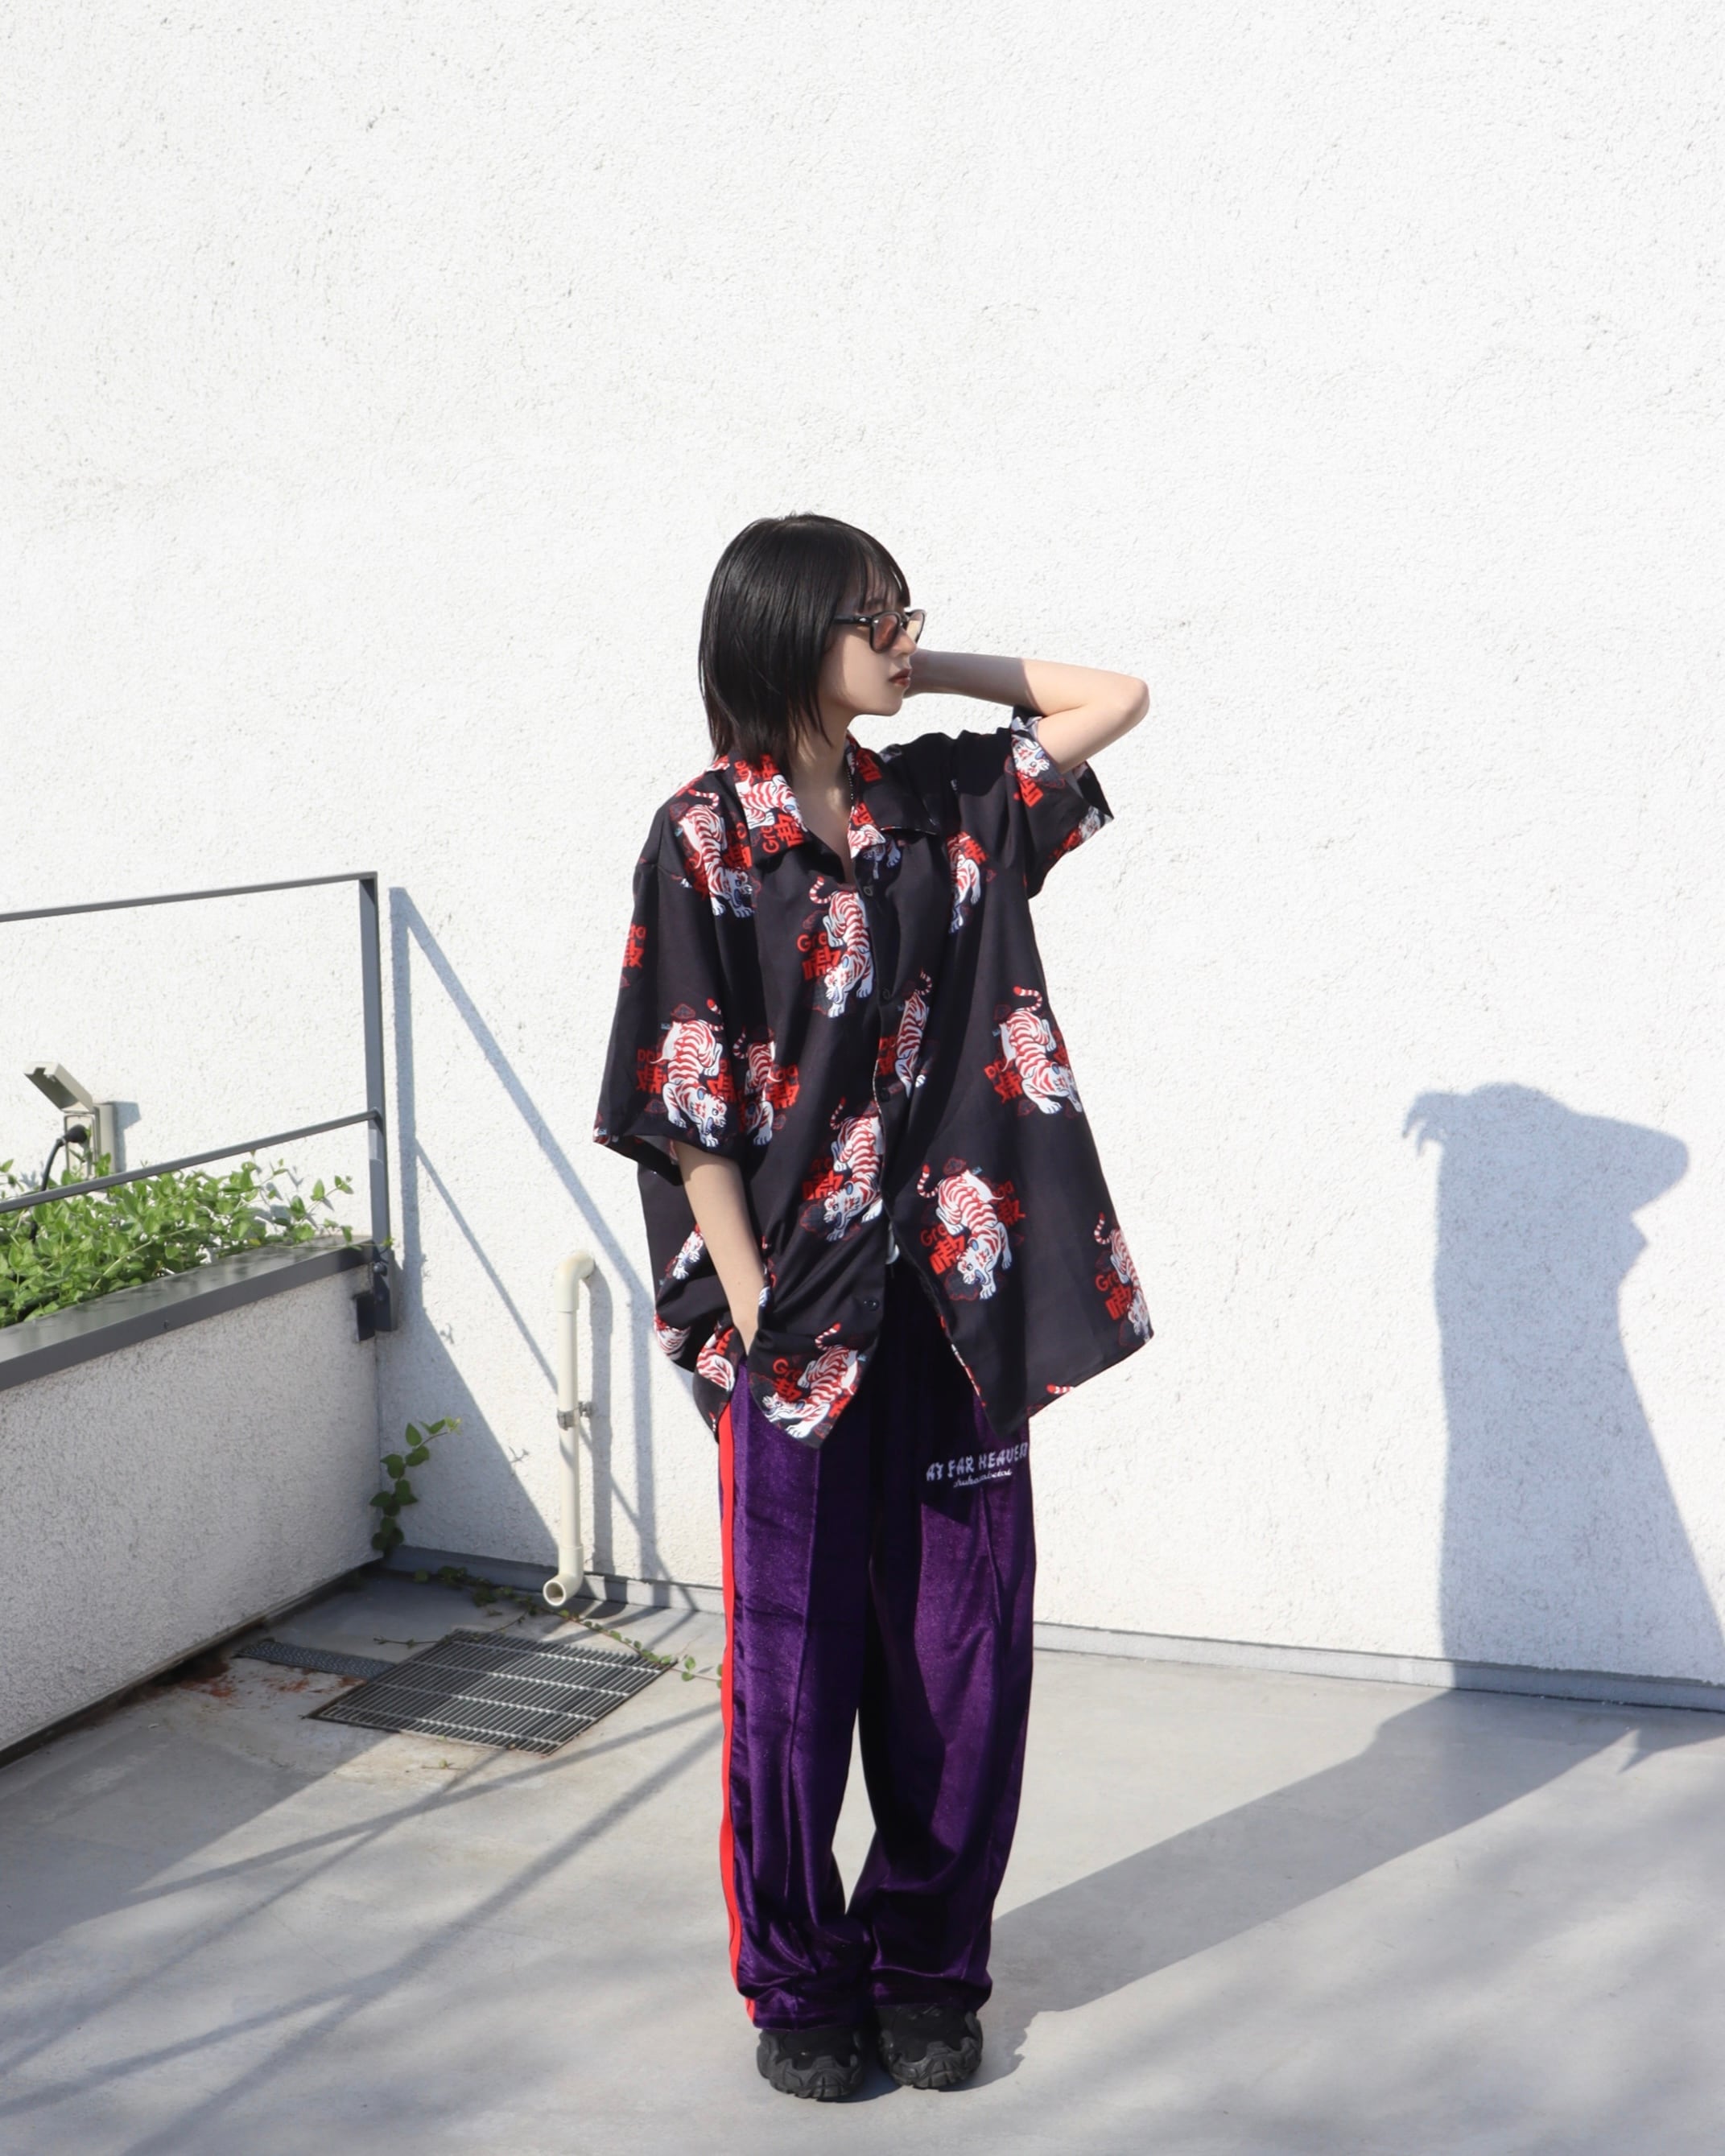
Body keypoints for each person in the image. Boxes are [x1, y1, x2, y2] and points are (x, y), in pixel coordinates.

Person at [593, 513, 1151, 2100]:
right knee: (792, 1670)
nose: (900, 636)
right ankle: (799, 1979)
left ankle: (928, 1968)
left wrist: (916, 667)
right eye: (868, 617)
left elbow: (1112, 697)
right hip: (791, 1314)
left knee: (960, 1654)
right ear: (783, 635)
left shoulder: (948, 802)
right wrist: (756, 1308)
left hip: (959, 1299)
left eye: (906, 609)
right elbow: (685, 1101)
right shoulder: (706, 834)